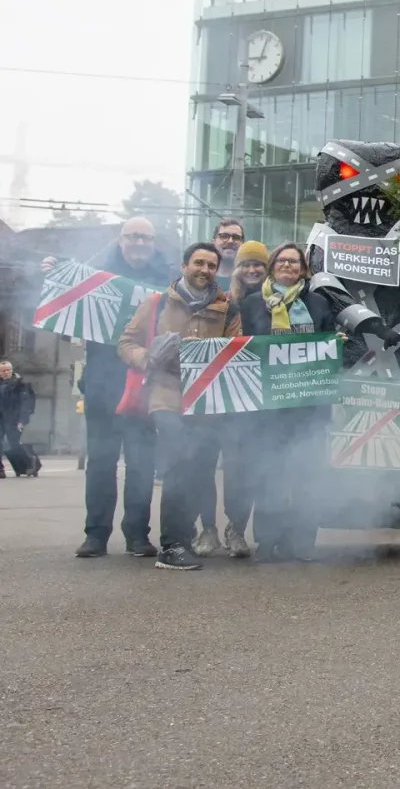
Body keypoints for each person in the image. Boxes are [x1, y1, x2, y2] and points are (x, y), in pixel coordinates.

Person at [47, 217, 171, 558]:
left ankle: (137, 535)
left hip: (146, 383)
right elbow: (63, 289)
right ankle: (96, 534)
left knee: (141, 462)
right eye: (133, 236)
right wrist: (55, 268)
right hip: (103, 382)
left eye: (146, 237)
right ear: (120, 240)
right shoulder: (95, 274)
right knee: (101, 461)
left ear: (153, 241)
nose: (140, 243)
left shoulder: (165, 278)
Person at [117, 242, 241, 572]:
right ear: (184, 266)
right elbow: (125, 343)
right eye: (198, 263)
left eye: (211, 265)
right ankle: (172, 546)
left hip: (205, 403)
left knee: (198, 471)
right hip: (165, 397)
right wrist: (146, 357)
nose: (205, 269)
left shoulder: (228, 309)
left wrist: (209, 353)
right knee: (179, 462)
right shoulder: (156, 303)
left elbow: (235, 353)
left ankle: (182, 540)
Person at [237, 242, 338, 562]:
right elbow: (243, 351)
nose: (288, 266)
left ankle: (302, 541)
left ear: (303, 269)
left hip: (309, 406)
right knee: (269, 474)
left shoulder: (319, 303)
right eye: (281, 260)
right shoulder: (252, 303)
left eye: (294, 262)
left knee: (307, 474)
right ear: (272, 265)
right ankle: (267, 540)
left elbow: (329, 345)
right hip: (268, 407)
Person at [188, 239, 270, 557]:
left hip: (250, 402)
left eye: (258, 265)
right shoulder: (220, 300)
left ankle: (236, 529)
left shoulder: (278, 302)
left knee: (241, 470)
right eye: (247, 264)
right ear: (236, 269)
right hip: (214, 396)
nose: (252, 269)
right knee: (202, 465)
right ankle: (207, 529)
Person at [0, 361, 39, 478]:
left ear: (11, 370)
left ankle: (31, 463)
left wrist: (22, 420)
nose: (6, 372)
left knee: (13, 443)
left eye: (8, 370)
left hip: (14, 419)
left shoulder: (21, 384)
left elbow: (25, 404)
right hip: (1, 418)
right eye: (3, 370)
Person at [210, 219, 245, 291]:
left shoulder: (250, 279)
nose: (230, 241)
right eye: (224, 236)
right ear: (213, 242)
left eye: (236, 237)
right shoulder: (202, 277)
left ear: (243, 244)